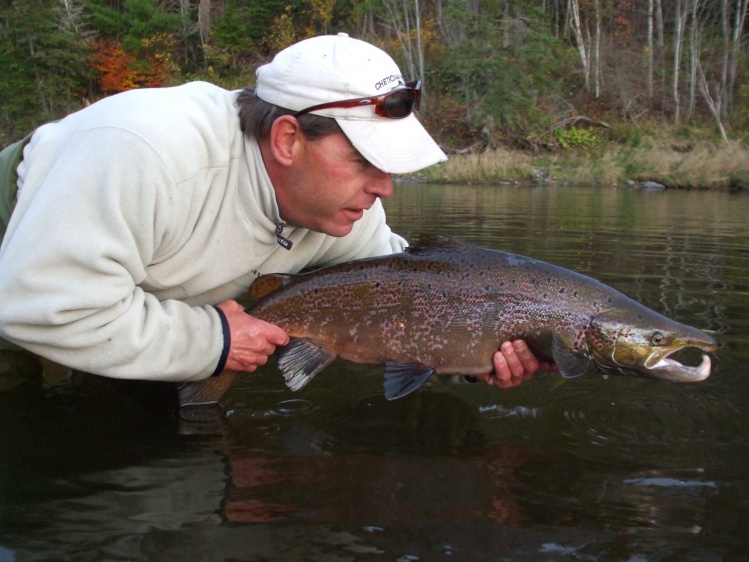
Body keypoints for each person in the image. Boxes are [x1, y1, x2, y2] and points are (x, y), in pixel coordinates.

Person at [0, 33, 550, 396]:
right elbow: (33, 303)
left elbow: (410, 290)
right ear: (288, 139)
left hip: (125, 296)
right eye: (364, 162)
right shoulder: (142, 151)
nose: (384, 189)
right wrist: (213, 341)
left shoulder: (345, 214)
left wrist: (478, 354)